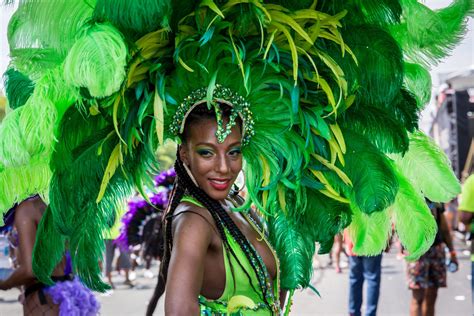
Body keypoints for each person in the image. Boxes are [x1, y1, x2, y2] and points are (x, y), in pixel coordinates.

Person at [147, 103, 284, 315]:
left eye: (233, 152)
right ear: (184, 154)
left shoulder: (235, 203)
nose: (223, 167)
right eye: (207, 153)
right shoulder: (194, 220)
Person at [0, 196, 99, 315]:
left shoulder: (27, 209)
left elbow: (30, 270)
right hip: (72, 293)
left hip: (43, 298)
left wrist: (5, 283)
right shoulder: (63, 204)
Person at [407, 201, 458, 316]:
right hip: (417, 250)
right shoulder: (410, 191)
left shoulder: (435, 195)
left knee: (431, 296)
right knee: (418, 297)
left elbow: (443, 225)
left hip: (436, 249)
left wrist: (452, 251)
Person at [344, 230, 382, 316]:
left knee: (355, 279)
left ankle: (353, 312)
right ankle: (369, 313)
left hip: (354, 239)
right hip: (373, 239)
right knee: (372, 279)